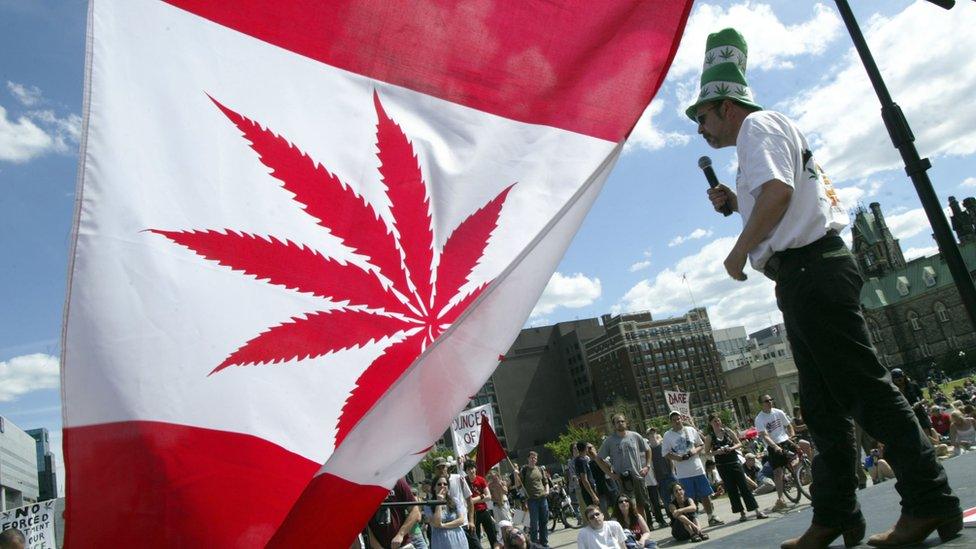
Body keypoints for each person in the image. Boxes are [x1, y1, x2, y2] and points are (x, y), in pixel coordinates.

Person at [689, 26, 960, 548]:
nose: (700, 128)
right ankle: (836, 516)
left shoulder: (756, 129)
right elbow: (780, 199)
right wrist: (737, 204)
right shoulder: (766, 133)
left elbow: (778, 193)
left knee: (866, 391)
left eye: (702, 116)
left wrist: (738, 248)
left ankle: (930, 502)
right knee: (822, 407)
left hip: (811, 272)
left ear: (727, 106)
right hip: (808, 272)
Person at [660, 411, 724, 526]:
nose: (677, 421)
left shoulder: (690, 430)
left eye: (678, 418)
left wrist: (694, 451)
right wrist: (678, 458)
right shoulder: (667, 435)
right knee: (688, 497)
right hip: (683, 473)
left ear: (681, 419)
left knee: (705, 494)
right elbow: (665, 453)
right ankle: (694, 522)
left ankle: (711, 517)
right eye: (674, 419)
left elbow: (701, 445)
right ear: (671, 422)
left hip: (697, 468)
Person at [702, 412, 767, 522]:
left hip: (734, 462)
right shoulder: (710, 437)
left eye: (718, 420)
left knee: (744, 487)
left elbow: (739, 443)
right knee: (732, 490)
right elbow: (707, 453)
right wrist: (717, 452)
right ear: (710, 423)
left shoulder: (727, 431)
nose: (717, 423)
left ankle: (756, 511)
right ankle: (742, 513)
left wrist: (731, 448)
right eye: (714, 421)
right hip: (722, 466)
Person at [596, 414, 654, 521]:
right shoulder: (609, 441)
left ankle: (644, 529)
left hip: (637, 476)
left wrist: (647, 466)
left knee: (641, 505)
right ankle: (633, 530)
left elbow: (648, 449)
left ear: (626, 422)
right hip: (622, 480)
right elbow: (598, 458)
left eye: (622, 421)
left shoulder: (635, 436)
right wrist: (611, 474)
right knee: (627, 507)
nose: (620, 423)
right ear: (613, 425)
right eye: (617, 422)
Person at [754, 395, 795, 512]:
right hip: (773, 444)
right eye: (767, 401)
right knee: (778, 472)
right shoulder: (759, 419)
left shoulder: (779, 412)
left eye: (771, 400)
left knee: (804, 446)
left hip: (785, 440)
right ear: (761, 404)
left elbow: (788, 425)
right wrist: (775, 446)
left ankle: (800, 472)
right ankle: (781, 499)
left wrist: (792, 436)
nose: (770, 402)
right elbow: (765, 436)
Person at [367, 476, 428, 549]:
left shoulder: (397, 481)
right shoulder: (364, 486)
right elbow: (363, 523)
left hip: (403, 544)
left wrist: (400, 534)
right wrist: (377, 546)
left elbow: (415, 511)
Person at [425, 474, 470, 549]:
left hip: (458, 539)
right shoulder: (428, 505)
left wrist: (443, 525)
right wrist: (439, 502)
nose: (442, 486)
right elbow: (436, 523)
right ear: (434, 488)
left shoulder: (455, 500)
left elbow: (461, 520)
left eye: (445, 484)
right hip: (440, 541)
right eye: (439, 484)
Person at [515, 451, 549, 546]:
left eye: (535, 458)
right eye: (531, 457)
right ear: (528, 458)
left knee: (544, 522)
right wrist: (515, 474)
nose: (533, 459)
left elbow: (545, 482)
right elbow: (518, 485)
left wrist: (547, 491)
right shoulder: (524, 470)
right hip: (532, 500)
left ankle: (544, 543)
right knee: (534, 524)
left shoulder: (540, 469)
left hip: (543, 498)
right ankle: (533, 544)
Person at [465, 460, 497, 547]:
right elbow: (465, 502)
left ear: (475, 468)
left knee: (492, 534)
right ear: (466, 471)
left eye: (472, 468)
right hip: (472, 514)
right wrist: (481, 497)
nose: (471, 471)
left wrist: (472, 500)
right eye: (468, 469)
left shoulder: (481, 480)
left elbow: (489, 496)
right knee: (475, 538)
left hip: (483, 510)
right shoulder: (464, 482)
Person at [641, 429, 669, 529]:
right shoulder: (635, 454)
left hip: (652, 480)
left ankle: (660, 520)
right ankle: (649, 523)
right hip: (641, 481)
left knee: (656, 502)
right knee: (645, 504)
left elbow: (653, 465)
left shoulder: (649, 450)